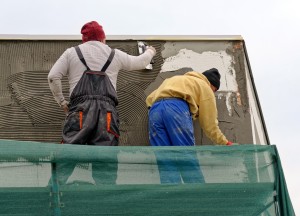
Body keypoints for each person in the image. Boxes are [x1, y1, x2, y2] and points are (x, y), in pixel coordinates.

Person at [48, 21, 156, 185]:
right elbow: (140, 62)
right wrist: (150, 52)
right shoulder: (115, 54)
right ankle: (104, 203)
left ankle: (51, 197)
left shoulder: (71, 53)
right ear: (103, 37)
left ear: (84, 39)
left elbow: (52, 76)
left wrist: (62, 102)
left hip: (80, 112)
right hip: (106, 114)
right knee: (105, 161)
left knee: (67, 156)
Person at [146, 68, 233, 183]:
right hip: (176, 109)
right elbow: (209, 125)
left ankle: (171, 194)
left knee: (165, 160)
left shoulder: (174, 79)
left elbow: (150, 98)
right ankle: (196, 195)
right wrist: (224, 142)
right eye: (214, 90)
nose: (213, 93)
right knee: (186, 156)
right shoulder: (204, 86)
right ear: (211, 84)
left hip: (155, 112)